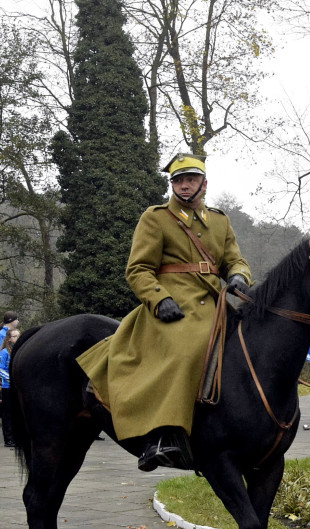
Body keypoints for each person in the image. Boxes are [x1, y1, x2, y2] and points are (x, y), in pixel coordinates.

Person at [77, 153, 251, 472]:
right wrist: (159, 298)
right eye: (178, 180)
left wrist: (239, 275)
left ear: (204, 183)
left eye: (191, 179)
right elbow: (138, 269)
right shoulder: (156, 218)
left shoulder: (220, 221)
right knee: (186, 350)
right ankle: (161, 436)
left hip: (213, 303)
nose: (184, 185)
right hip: (172, 305)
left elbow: (233, 260)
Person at [0, 328, 20, 448]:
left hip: (18, 387)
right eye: (14, 336)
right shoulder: (5, 352)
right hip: (8, 386)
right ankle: (9, 438)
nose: (17, 338)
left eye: (18, 336)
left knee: (18, 412)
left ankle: (18, 437)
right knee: (8, 413)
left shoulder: (20, 351)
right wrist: (11, 378)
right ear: (9, 338)